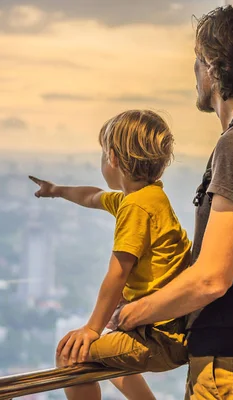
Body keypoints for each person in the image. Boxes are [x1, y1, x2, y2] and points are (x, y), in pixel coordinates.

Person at [116, 5, 233, 400]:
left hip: (230, 371)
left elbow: (212, 277)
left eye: (199, 60)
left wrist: (135, 313)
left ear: (215, 67)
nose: (195, 71)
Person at [30, 109, 190, 400]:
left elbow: (118, 273)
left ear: (113, 158)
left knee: (72, 355)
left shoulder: (135, 207)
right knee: (111, 352)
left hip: (158, 339)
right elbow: (92, 196)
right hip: (173, 331)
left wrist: (91, 328)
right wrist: (56, 190)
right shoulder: (149, 197)